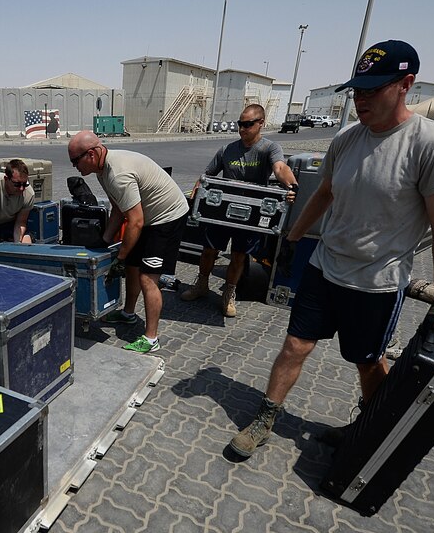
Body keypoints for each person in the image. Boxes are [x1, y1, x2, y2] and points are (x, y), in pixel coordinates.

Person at [229, 39, 434, 458]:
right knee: (294, 346)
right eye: (357, 90)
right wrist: (293, 240)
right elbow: (323, 195)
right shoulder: (346, 140)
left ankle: (368, 429)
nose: (360, 100)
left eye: (372, 90)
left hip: (376, 282)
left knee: (368, 362)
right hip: (325, 267)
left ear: (406, 84)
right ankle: (266, 416)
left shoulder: (433, 144)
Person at [68, 131, 190, 354]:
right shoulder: (101, 171)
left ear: (92, 154)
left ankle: (151, 339)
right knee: (133, 268)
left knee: (148, 278)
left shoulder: (118, 174)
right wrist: (103, 241)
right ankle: (128, 315)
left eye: (76, 160)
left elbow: (135, 221)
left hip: (167, 217)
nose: (74, 166)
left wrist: (120, 258)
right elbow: (118, 209)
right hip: (146, 217)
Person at [180, 104, 299, 317]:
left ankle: (229, 293)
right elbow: (207, 174)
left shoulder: (269, 148)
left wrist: (292, 186)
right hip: (221, 213)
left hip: (250, 217)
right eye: (240, 124)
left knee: (238, 256)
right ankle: (202, 285)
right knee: (209, 251)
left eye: (248, 124)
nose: (242, 129)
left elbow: (280, 168)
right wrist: (198, 188)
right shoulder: (227, 150)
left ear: (261, 123)